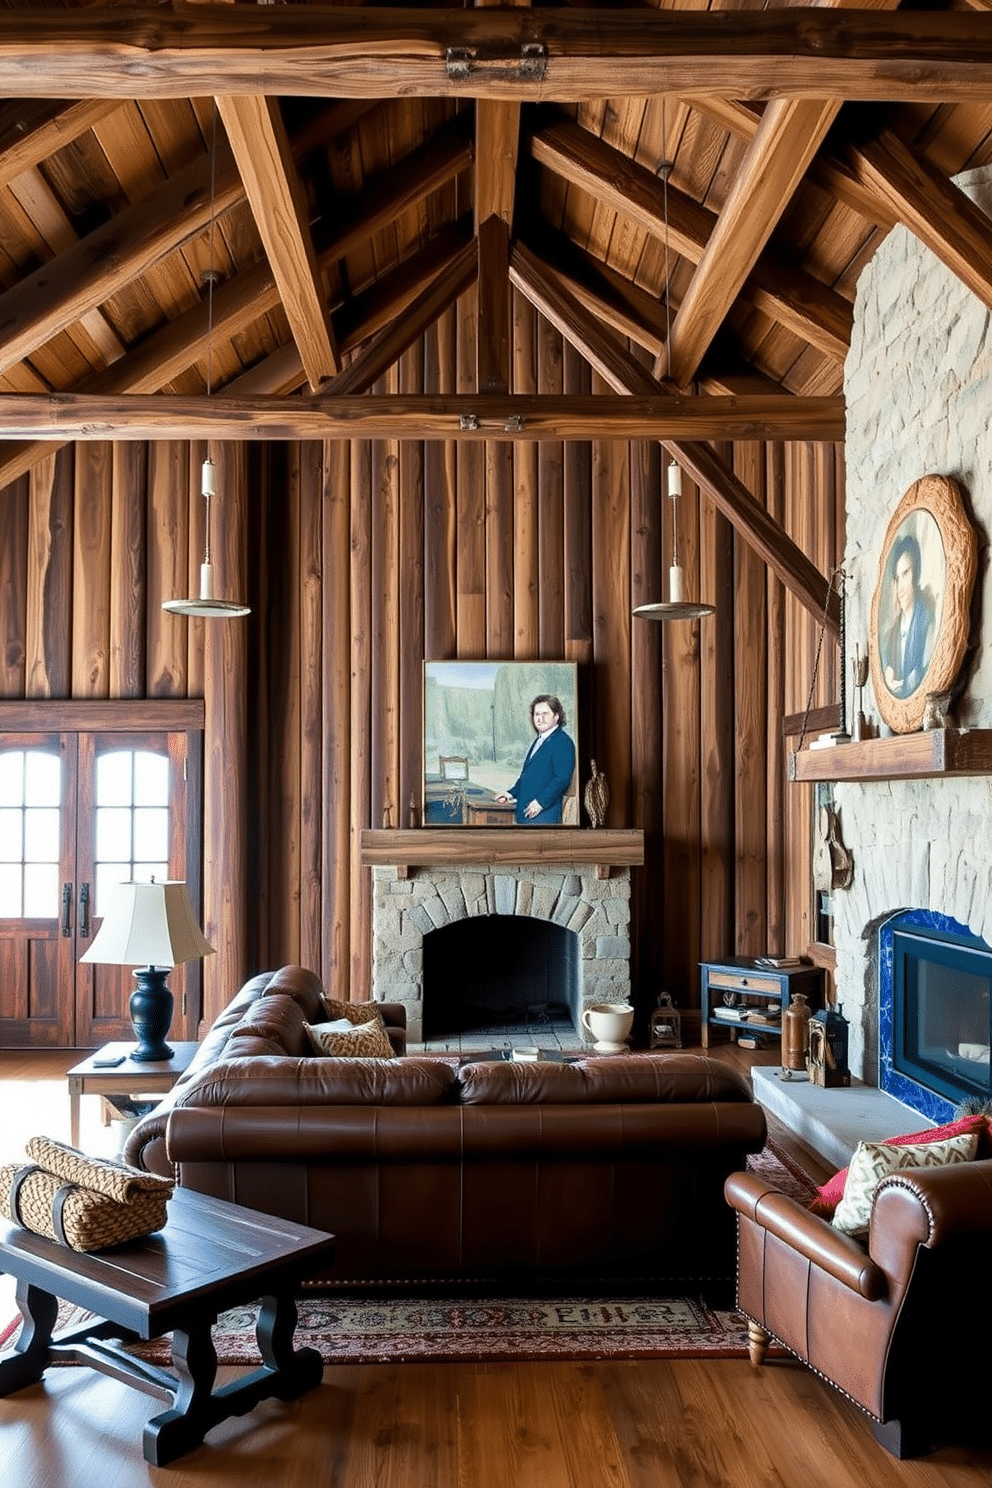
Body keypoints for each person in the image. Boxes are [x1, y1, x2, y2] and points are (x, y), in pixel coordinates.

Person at [496, 695, 576, 824]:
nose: (540, 718)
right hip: (527, 815)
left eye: (545, 714)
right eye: (537, 714)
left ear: (556, 716)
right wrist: (510, 794)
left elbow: (562, 779)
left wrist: (539, 803)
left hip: (544, 817)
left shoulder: (562, 741)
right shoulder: (539, 740)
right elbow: (528, 776)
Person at [883, 533, 931, 698]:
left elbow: (925, 672)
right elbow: (889, 667)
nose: (900, 587)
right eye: (897, 578)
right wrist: (889, 676)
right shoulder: (893, 633)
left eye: (905, 574)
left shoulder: (926, 622)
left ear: (916, 576)